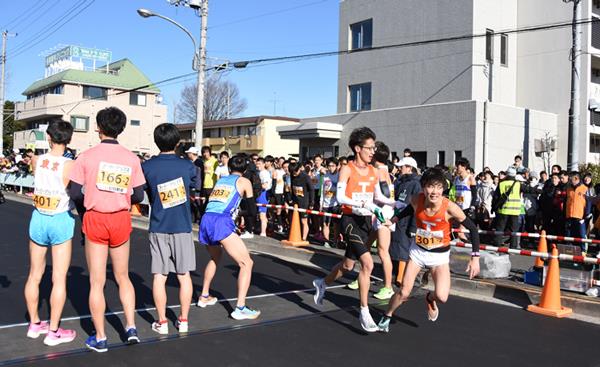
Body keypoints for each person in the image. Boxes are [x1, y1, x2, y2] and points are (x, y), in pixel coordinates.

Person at [68, 107, 146, 352]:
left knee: (97, 281)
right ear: (121, 128)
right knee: (123, 277)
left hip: (95, 217)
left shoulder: (86, 156)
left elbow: (74, 192)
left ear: (98, 127)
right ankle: (131, 327)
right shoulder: (132, 158)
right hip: (121, 218)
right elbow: (140, 194)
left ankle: (100, 337)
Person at [377, 168, 481, 332]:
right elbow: (410, 209)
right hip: (418, 252)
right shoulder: (417, 199)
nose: (435, 192)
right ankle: (387, 315)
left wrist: (475, 258)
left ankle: (429, 299)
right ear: (423, 187)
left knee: (442, 297)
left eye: (439, 187)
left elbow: (473, 229)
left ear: (443, 189)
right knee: (404, 292)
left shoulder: (450, 208)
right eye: (431, 187)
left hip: (439, 257)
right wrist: (393, 220)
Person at [312, 127, 387, 332]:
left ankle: (322, 283)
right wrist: (366, 205)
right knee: (368, 264)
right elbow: (340, 197)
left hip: (365, 223)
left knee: (347, 266)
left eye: (374, 147)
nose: (373, 151)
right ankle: (364, 312)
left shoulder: (374, 170)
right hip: (350, 220)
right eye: (369, 148)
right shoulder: (347, 169)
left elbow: (378, 197)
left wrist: (394, 204)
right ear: (357, 148)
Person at [24, 120, 77, 346]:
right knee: (59, 278)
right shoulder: (70, 165)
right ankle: (53, 331)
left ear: (48, 137)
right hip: (60, 219)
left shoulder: (38, 160)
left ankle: (35, 324)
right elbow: (73, 191)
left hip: (38, 217)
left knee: (35, 274)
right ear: (69, 139)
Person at [142, 123, 197, 335]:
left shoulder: (147, 166)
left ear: (156, 142)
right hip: (182, 225)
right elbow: (194, 184)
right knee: (184, 275)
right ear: (177, 143)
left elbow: (141, 192)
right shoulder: (187, 166)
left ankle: (162, 322)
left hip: (158, 225)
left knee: (160, 275)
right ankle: (183, 320)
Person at [197, 155, 261, 320]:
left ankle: (204, 296)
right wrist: (240, 213)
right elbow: (252, 211)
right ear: (245, 169)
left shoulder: (221, 180)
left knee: (215, 256)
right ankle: (240, 307)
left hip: (206, 219)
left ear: (229, 167)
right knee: (247, 263)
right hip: (221, 221)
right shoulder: (244, 181)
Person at [391, 156, 421, 286]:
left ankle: (401, 277)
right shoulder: (400, 181)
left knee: (404, 249)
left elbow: (416, 206)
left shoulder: (416, 183)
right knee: (396, 248)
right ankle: (397, 274)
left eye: (402, 167)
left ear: (409, 168)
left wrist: (413, 227)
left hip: (407, 221)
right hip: (398, 218)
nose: (399, 169)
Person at [289, 161, 314, 241]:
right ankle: (296, 234)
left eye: (295, 172)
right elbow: (292, 188)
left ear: (299, 169)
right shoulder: (292, 175)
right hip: (296, 201)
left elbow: (311, 189)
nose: (294, 174)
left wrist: (311, 202)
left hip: (304, 202)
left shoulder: (305, 177)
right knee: (295, 219)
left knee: (304, 221)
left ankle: (304, 237)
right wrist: (291, 199)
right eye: (292, 172)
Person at [320, 157, 340, 248]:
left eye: (333, 166)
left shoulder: (339, 176)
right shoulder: (324, 176)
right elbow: (322, 190)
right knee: (325, 223)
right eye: (329, 166)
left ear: (337, 166)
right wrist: (321, 203)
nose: (331, 168)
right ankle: (326, 241)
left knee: (336, 225)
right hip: (326, 203)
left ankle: (335, 241)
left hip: (336, 203)